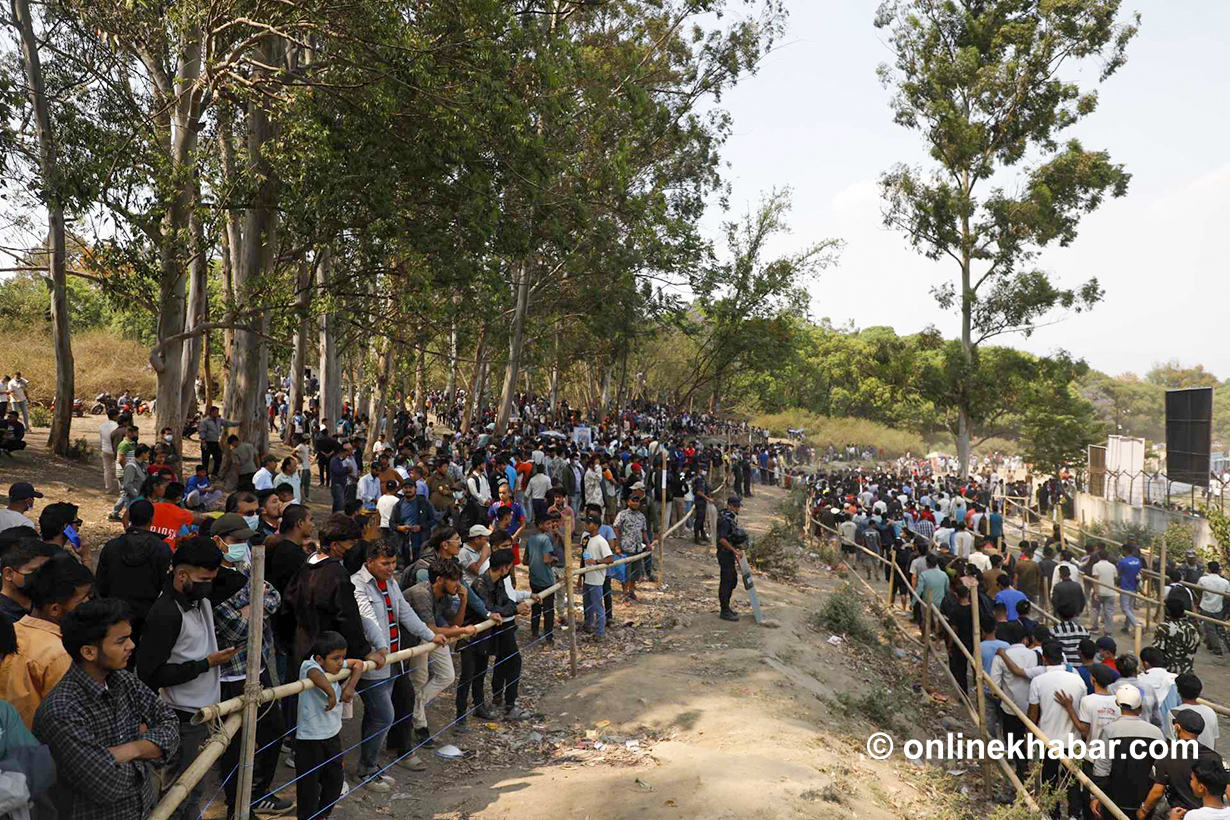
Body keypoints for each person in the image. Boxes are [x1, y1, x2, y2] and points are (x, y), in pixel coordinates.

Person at [32, 598, 180, 820]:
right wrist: (151, 755)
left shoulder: (123, 680)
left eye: (129, 637)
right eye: (121, 641)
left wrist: (132, 749)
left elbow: (171, 724)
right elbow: (107, 786)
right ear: (89, 652)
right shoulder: (61, 711)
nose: (131, 645)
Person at [136, 536, 246, 820]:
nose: (209, 584)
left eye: (212, 578)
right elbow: (151, 673)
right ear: (181, 574)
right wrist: (206, 664)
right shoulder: (166, 613)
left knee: (194, 789)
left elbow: (237, 581)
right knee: (176, 794)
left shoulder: (199, 599)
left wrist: (219, 554)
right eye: (204, 578)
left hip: (203, 714)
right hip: (181, 718)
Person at [209, 513, 290, 818]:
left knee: (273, 732)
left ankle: (257, 794)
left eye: (245, 540)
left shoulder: (245, 566)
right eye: (236, 541)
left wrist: (248, 607)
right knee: (234, 745)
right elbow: (236, 630)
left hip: (257, 669)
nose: (242, 546)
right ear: (218, 541)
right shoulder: (211, 579)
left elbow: (273, 596)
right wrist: (254, 603)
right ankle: (236, 807)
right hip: (229, 675)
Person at [350, 541, 442, 783]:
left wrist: (430, 635)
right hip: (374, 664)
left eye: (393, 563)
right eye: (385, 563)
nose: (391, 568)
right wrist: (380, 649)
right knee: (383, 715)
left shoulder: (391, 582)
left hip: (394, 660)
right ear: (370, 561)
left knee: (382, 713)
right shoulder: (357, 585)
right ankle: (367, 769)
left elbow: (405, 613)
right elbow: (367, 621)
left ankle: (374, 763)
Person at [1, 555, 95, 727]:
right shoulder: (60, 654)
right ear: (55, 609)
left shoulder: (12, 630)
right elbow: (69, 718)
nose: (89, 605)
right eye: (83, 600)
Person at [405, 559, 475, 745]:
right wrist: (462, 631)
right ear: (439, 580)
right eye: (454, 580)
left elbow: (455, 623)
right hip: (414, 640)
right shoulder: (421, 594)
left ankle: (417, 704)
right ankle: (420, 727)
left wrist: (464, 601)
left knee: (447, 675)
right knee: (418, 679)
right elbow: (431, 629)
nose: (458, 584)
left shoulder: (445, 595)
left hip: (430, 639)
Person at [295, 631, 364, 820]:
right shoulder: (308, 665)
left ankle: (321, 815)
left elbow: (358, 664)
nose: (341, 662)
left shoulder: (336, 666)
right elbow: (314, 673)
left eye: (342, 657)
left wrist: (350, 687)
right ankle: (307, 817)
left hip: (332, 735)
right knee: (308, 787)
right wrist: (331, 693)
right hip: (310, 739)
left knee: (335, 781)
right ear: (320, 658)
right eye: (336, 658)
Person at [95, 500, 173, 650]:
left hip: (114, 615)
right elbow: (165, 585)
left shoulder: (112, 546)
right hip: (146, 617)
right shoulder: (161, 548)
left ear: (129, 518)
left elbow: (100, 583)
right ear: (151, 520)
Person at [1027, 641, 1087, 820]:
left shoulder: (1038, 681)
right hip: (1073, 739)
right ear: (1062, 657)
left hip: (1048, 739)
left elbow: (1032, 715)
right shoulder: (1077, 679)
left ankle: (1053, 813)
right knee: (1072, 780)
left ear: (1043, 658)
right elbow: (1081, 711)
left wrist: (1028, 739)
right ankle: (1074, 813)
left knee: (1049, 778)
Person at [473, 548, 532, 719]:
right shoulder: (480, 583)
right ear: (504, 568)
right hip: (479, 633)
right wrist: (516, 609)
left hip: (500, 627)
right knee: (478, 671)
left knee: (512, 661)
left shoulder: (499, 581)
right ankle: (477, 708)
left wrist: (518, 607)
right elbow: (488, 608)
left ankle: (507, 703)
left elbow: (506, 601)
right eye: (511, 567)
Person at [1090, 685, 1163, 820]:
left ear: (1118, 704)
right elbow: (1160, 770)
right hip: (1144, 801)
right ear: (1140, 706)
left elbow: (1101, 769)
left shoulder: (1110, 731)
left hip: (1113, 800)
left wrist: (1095, 796)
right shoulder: (1156, 733)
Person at [1138, 709, 1222, 820]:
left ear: (1177, 727)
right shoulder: (1214, 757)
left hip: (1179, 814)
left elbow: (1157, 792)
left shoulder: (1167, 756)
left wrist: (1144, 810)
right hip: (1207, 815)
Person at [0, 540, 56, 625]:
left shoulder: (43, 598)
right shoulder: (4, 618)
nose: (45, 576)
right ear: (8, 573)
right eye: (35, 571)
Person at [612, 490, 651, 603]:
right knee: (625, 572)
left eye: (637, 501)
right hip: (626, 547)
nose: (635, 503)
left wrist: (648, 544)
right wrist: (617, 546)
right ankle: (624, 592)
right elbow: (616, 528)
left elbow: (644, 531)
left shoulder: (641, 516)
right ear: (628, 502)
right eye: (633, 501)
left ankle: (631, 591)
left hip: (638, 548)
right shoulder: (622, 514)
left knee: (635, 572)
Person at [526, 512, 559, 642]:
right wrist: (554, 559)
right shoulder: (545, 539)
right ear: (540, 525)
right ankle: (548, 636)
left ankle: (534, 633)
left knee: (535, 608)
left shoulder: (530, 539)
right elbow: (546, 559)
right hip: (546, 580)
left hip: (534, 579)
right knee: (548, 610)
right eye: (548, 524)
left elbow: (525, 560)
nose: (551, 526)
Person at [580, 513, 614, 638]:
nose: (586, 525)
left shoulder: (601, 541)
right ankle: (588, 626)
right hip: (587, 577)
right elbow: (583, 558)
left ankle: (599, 632)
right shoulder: (585, 540)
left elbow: (610, 558)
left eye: (588, 523)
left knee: (597, 606)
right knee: (587, 605)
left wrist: (596, 561)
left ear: (596, 526)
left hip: (596, 580)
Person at [1169, 673, 1220, 748]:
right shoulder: (1210, 712)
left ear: (1179, 692)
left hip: (1186, 758)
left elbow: (1171, 743)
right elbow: (1214, 740)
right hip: (1207, 757)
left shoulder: (1174, 713)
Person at [1154, 598, 1201, 676]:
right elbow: (1196, 645)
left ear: (1168, 611)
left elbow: (1158, 651)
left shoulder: (1163, 628)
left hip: (1168, 672)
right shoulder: (1191, 628)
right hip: (1187, 671)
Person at [715, 496, 744, 622]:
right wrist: (734, 551)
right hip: (725, 553)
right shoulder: (725, 520)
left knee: (732, 580)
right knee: (727, 581)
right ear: (730, 505)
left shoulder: (730, 518)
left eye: (738, 506)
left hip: (729, 553)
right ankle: (724, 610)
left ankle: (726, 607)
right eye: (735, 506)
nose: (738, 508)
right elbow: (722, 539)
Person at [1196, 561, 1230, 655]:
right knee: (1217, 627)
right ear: (1218, 569)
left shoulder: (1203, 579)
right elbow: (1227, 596)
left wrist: (1198, 601)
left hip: (1206, 606)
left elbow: (1198, 590)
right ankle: (1211, 644)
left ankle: (1217, 649)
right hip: (1218, 607)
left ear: (1209, 569)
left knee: (1210, 629)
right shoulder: (1225, 582)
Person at [198, 406, 238, 477]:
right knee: (205, 460)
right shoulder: (205, 421)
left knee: (218, 457)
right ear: (211, 412)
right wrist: (203, 441)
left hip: (215, 442)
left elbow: (228, 423)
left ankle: (214, 473)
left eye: (218, 412)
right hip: (207, 442)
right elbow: (202, 431)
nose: (217, 414)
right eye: (216, 412)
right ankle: (205, 475)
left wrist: (239, 422)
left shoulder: (219, 420)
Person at [1118, 543, 1144, 634]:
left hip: (1125, 586)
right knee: (1130, 608)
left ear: (1125, 551)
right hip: (1134, 586)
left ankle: (1137, 625)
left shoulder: (1123, 562)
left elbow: (1119, 573)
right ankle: (1126, 627)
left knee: (1125, 608)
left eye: (1122, 550)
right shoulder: (1137, 561)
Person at [1090, 549, 1118, 635]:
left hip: (1099, 592)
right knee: (1109, 612)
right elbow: (1115, 577)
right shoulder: (1112, 566)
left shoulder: (1096, 566)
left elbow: (1095, 579)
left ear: (1099, 556)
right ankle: (1108, 630)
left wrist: (1095, 592)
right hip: (1110, 592)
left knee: (1095, 610)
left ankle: (1095, 628)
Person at [99, 407, 120, 494]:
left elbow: (101, 439)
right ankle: (120, 488)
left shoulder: (102, 426)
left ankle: (108, 488)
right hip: (115, 450)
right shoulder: (117, 426)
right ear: (115, 416)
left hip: (105, 449)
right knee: (118, 469)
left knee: (107, 470)